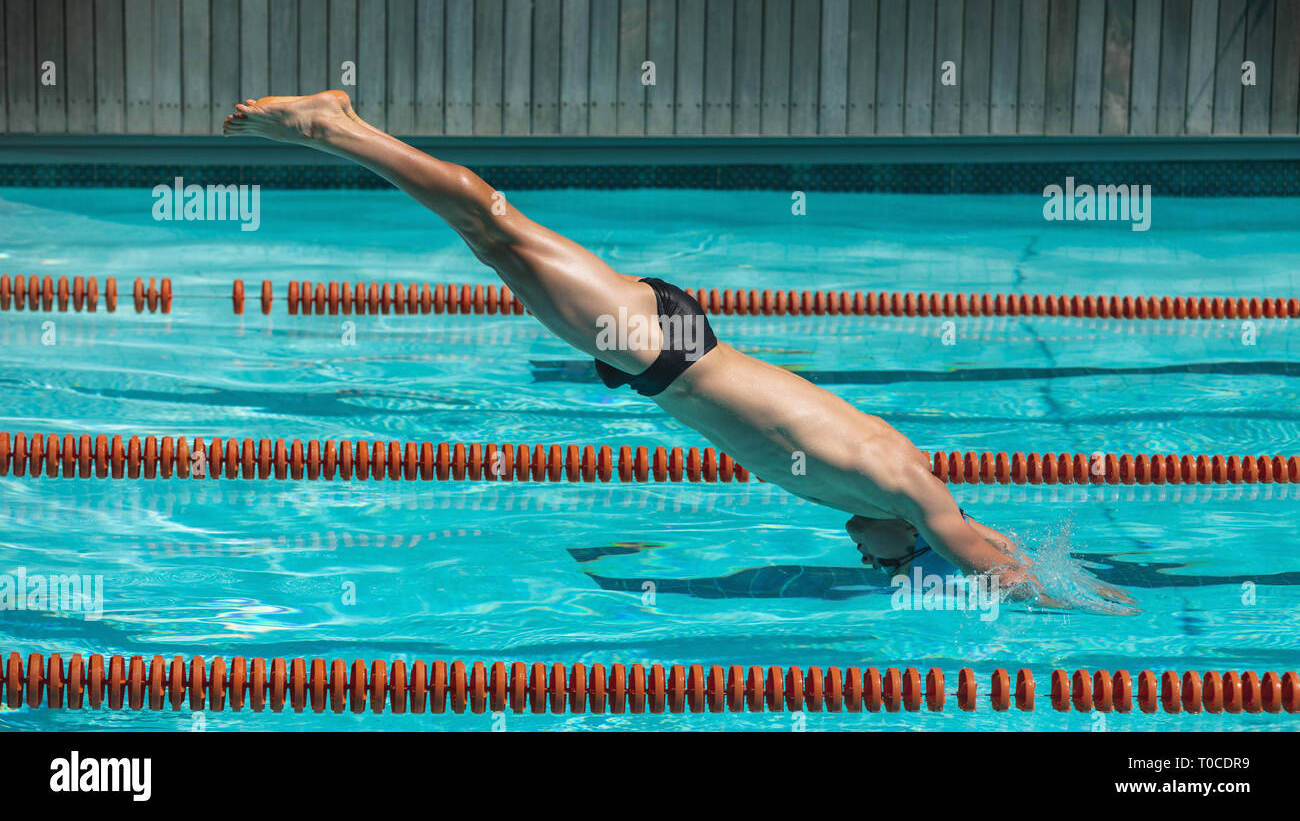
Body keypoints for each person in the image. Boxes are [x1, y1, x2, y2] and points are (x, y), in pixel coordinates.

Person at [224, 90, 1133, 609]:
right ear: (912, 539)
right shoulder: (905, 486)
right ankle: (334, 126)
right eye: (890, 562)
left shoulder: (882, 495)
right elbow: (976, 547)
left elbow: (972, 542)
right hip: (667, 348)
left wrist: (1003, 566)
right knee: (493, 223)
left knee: (491, 240)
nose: (871, 560)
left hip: (666, 352)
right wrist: (1072, 602)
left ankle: (343, 129)